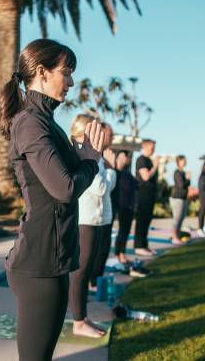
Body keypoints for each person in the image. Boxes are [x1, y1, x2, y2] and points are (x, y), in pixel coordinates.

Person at [0, 39, 104, 361]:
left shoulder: (45, 122)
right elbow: (65, 189)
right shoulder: (31, 123)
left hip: (50, 259)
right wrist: (90, 160)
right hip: (38, 264)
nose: (71, 82)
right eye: (67, 73)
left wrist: (85, 157)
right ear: (42, 73)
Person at [68, 116, 116, 338]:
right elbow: (101, 188)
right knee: (81, 272)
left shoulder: (94, 157)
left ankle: (82, 318)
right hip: (85, 220)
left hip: (95, 219)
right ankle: (78, 322)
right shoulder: (87, 156)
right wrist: (111, 170)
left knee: (86, 271)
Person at [89, 123, 117, 291]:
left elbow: (107, 188)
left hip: (103, 215)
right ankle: (91, 284)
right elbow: (101, 188)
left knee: (102, 252)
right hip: (91, 217)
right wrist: (111, 170)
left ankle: (96, 282)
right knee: (92, 257)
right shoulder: (95, 157)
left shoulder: (102, 158)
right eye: (109, 134)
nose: (112, 137)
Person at [134, 139, 160, 256]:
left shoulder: (149, 160)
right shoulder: (141, 160)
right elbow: (145, 177)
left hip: (150, 195)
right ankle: (139, 246)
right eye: (151, 147)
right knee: (142, 221)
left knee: (147, 221)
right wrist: (155, 166)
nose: (153, 150)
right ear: (145, 146)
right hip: (143, 195)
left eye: (154, 148)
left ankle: (145, 246)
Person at [114, 151, 139, 265]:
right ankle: (119, 254)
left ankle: (121, 253)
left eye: (127, 157)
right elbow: (128, 187)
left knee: (125, 231)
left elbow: (136, 185)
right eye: (123, 157)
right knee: (123, 231)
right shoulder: (118, 172)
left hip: (129, 205)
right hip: (123, 205)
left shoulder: (127, 172)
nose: (126, 159)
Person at [170, 155, 191, 245]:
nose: (185, 162)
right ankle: (174, 237)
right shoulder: (177, 173)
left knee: (181, 218)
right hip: (177, 198)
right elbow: (181, 185)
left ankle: (177, 236)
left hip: (183, 198)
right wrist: (187, 179)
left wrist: (187, 179)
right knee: (177, 218)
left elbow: (186, 184)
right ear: (179, 161)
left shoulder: (183, 172)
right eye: (183, 160)